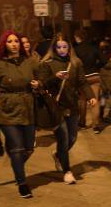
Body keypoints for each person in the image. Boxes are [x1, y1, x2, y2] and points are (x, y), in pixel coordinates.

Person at [0, 30, 40, 198]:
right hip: (7, 110)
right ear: (5, 44)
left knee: (29, 148)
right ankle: (22, 182)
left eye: (16, 41)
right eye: (10, 41)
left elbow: (41, 80)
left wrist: (37, 84)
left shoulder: (30, 62)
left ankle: (16, 164)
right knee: (17, 148)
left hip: (27, 108)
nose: (14, 44)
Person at [40, 33, 95, 184]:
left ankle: (58, 154)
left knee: (73, 137)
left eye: (65, 47)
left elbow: (83, 82)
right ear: (54, 48)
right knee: (63, 139)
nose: (62, 50)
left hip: (72, 105)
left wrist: (91, 96)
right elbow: (42, 84)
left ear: (69, 47)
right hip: (55, 107)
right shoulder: (47, 63)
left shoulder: (76, 63)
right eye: (59, 47)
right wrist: (55, 77)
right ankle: (67, 171)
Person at [73, 29, 102, 129]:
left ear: (77, 37)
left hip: (82, 78)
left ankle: (82, 122)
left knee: (82, 100)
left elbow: (74, 64)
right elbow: (104, 60)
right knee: (95, 100)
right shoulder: (94, 48)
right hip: (94, 75)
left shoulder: (76, 49)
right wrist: (97, 66)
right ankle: (96, 125)